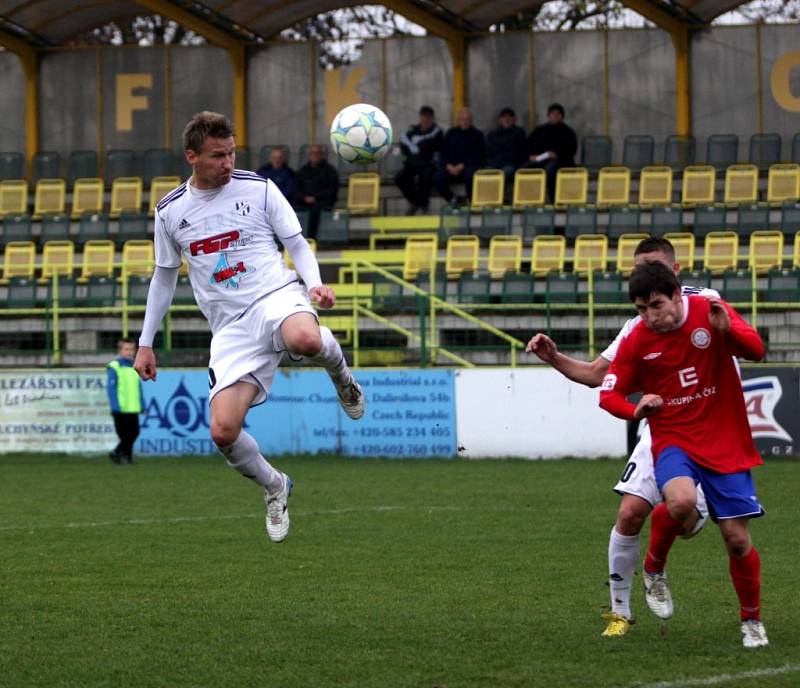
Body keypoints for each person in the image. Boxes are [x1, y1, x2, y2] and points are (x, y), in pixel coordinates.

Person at [133, 111, 364, 544]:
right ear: (192, 157)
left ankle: (341, 375)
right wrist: (145, 344)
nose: (227, 162)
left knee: (305, 338)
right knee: (222, 432)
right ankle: (276, 486)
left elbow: (296, 243)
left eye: (231, 152)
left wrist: (314, 286)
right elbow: (164, 276)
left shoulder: (258, 189)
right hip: (230, 327)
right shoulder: (170, 213)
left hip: (275, 295)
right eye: (218, 155)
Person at [526, 237, 711, 638]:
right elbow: (598, 376)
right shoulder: (636, 325)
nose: (645, 276)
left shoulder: (706, 302)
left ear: (675, 274)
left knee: (687, 519)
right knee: (629, 513)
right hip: (661, 429)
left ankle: (657, 565)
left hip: (710, 430)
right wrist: (555, 357)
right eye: (638, 268)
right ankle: (619, 613)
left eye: (655, 267)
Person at [599, 261, 768, 649]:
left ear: (677, 294)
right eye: (641, 309)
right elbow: (608, 394)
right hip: (674, 437)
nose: (649, 317)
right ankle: (653, 568)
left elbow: (757, 350)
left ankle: (752, 620)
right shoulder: (638, 339)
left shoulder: (710, 310)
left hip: (725, 439)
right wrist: (636, 409)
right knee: (681, 502)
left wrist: (730, 334)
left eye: (656, 305)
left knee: (737, 540)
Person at [523, 103, 577, 203]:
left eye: (558, 113)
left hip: (562, 161)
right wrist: (530, 156)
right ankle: (529, 200)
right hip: (540, 161)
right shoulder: (539, 130)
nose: (555, 115)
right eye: (553, 113)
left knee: (550, 169)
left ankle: (554, 201)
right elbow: (527, 146)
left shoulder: (568, 132)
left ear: (562, 116)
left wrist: (557, 154)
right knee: (525, 169)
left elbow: (572, 149)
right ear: (548, 115)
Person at [395, 105, 443, 215]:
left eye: (428, 117)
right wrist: (415, 149)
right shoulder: (412, 130)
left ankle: (418, 204)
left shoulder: (437, 132)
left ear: (432, 119)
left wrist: (414, 147)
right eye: (423, 117)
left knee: (426, 176)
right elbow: (403, 144)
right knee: (400, 178)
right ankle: (418, 203)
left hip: (428, 164)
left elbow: (429, 147)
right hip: (413, 164)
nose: (425, 120)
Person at [433, 107, 486, 205]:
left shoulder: (477, 135)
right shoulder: (450, 133)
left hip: (468, 167)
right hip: (451, 168)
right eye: (462, 119)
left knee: (471, 174)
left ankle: (470, 200)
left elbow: (478, 155)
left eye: (467, 119)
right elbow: (443, 152)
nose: (465, 122)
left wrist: (462, 165)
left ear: (471, 120)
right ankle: (453, 199)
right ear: (458, 120)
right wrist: (448, 165)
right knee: (438, 177)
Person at [107, 337, 144, 465]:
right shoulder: (115, 366)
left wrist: (142, 404)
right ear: (120, 350)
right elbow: (111, 389)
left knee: (134, 433)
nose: (130, 352)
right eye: (126, 349)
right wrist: (115, 406)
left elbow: (138, 388)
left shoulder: (135, 366)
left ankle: (118, 454)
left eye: (132, 349)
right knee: (125, 435)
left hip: (133, 407)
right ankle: (124, 456)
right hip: (121, 407)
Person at [293, 144, 339, 239]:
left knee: (314, 211)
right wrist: (304, 197)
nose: (315, 155)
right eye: (312, 153)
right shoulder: (303, 171)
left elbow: (332, 189)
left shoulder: (330, 171)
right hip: (304, 201)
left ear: (322, 155)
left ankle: (310, 238)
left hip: (322, 201)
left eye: (317, 153)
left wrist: (316, 198)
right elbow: (297, 188)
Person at [486, 107, 526, 202]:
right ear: (500, 120)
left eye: (509, 117)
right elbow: (489, 151)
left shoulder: (519, 132)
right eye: (504, 117)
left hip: (511, 164)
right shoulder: (492, 134)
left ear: (514, 119)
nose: (507, 119)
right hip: (495, 164)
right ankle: (484, 200)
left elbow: (516, 151)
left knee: (504, 173)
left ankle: (497, 200)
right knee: (485, 173)